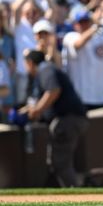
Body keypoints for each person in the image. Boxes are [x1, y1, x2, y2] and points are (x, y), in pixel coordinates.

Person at [22, 49, 89, 188]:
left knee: (60, 162)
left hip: (67, 120)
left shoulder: (45, 68)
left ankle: (75, 194)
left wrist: (37, 110)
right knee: (57, 161)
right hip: (71, 119)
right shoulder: (45, 70)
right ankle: (70, 189)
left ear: (30, 62)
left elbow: (53, 91)